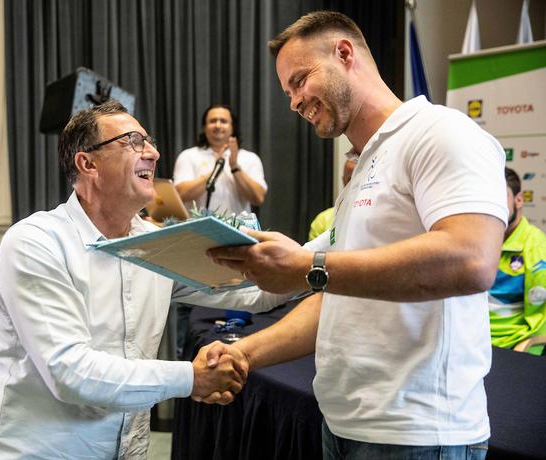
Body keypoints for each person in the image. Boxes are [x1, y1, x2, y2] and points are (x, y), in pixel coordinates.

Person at [206, 11, 507, 459]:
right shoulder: (364, 165)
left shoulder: (441, 133)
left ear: (344, 53)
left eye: (299, 80)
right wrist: (245, 352)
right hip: (345, 426)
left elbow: (471, 259)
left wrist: (309, 268)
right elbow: (334, 296)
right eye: (287, 91)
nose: (293, 102)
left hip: (418, 434)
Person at [0, 101, 285, 459]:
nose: (154, 152)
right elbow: (70, 372)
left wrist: (325, 259)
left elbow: (252, 291)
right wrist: (191, 378)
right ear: (87, 163)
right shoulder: (36, 243)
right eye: (134, 141)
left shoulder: (154, 243)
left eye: (149, 141)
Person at [489, 167, 546, 355]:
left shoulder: (537, 247)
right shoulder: (478, 239)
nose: (492, 205)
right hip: (468, 341)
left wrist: (529, 345)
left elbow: (542, 319)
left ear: (519, 199)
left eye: (500, 196)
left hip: (512, 348)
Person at [173, 104, 267, 215]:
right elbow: (179, 195)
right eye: (213, 121)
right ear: (204, 127)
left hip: (237, 229)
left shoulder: (250, 158)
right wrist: (216, 170)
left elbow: (258, 198)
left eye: (223, 121)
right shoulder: (188, 156)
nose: (218, 125)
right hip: (197, 230)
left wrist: (235, 167)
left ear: (232, 127)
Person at [308, 155, 357, 240]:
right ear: (343, 180)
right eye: (350, 180)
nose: (355, 185)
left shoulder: (381, 215)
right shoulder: (323, 220)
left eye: (358, 179)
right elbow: (311, 252)